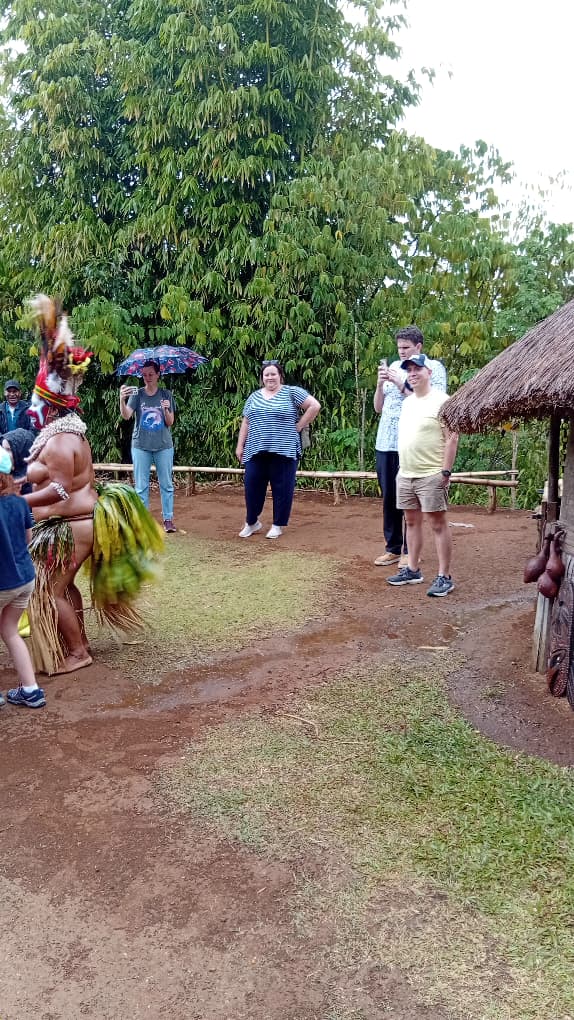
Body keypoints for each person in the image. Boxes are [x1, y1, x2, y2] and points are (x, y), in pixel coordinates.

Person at [21, 294, 165, 676]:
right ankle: (78, 645)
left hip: (73, 527)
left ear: (50, 406)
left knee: (51, 590)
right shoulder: (69, 436)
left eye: (37, 403)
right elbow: (51, 478)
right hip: (76, 525)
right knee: (65, 587)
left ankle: (77, 652)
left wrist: (20, 503)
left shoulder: (59, 442)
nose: (33, 409)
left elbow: (59, 490)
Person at [373, 325, 446, 568]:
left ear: (419, 346)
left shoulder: (432, 368)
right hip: (386, 441)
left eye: (406, 347)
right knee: (390, 497)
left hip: (415, 443)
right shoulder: (394, 366)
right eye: (399, 348)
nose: (401, 352)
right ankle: (392, 547)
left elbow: (432, 403)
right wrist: (379, 385)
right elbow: (378, 408)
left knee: (412, 501)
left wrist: (399, 383)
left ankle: (410, 551)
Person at [386, 352, 458, 597]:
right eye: (409, 370)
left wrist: (445, 471)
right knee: (411, 521)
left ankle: (444, 576)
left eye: (417, 368)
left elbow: (452, 437)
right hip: (406, 473)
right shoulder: (408, 402)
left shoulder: (443, 401)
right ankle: (412, 569)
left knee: (437, 523)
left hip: (431, 473)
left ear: (429, 372)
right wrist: (401, 471)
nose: (413, 373)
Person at [235, 360, 320, 539]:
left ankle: (277, 524)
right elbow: (246, 421)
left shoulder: (291, 392)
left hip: (284, 449)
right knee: (252, 486)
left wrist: (298, 426)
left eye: (273, 374)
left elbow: (314, 406)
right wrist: (240, 445)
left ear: (280, 376)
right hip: (255, 449)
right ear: (262, 377)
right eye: (266, 374)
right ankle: (252, 522)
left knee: (282, 488)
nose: (270, 377)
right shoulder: (254, 396)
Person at [0, 446, 46, 708]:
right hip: (25, 579)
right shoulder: (20, 503)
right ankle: (31, 690)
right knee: (10, 631)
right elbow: (28, 538)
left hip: (3, 581)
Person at [119, 361, 177, 533]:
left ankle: (168, 519)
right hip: (141, 445)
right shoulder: (137, 394)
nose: (147, 378)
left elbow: (170, 422)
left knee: (166, 484)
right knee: (141, 486)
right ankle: (142, 521)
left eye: (151, 374)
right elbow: (126, 415)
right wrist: (122, 400)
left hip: (163, 445)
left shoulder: (166, 394)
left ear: (158, 374)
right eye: (144, 375)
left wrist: (166, 409)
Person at [1, 428, 36, 494]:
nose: (4, 453)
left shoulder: (33, 483)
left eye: (8, 449)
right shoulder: (3, 474)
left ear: (23, 452)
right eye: (3, 448)